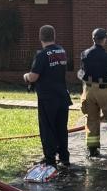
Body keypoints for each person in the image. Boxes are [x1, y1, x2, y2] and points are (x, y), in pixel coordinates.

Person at [23, 24, 71, 169]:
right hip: (62, 95)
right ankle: (64, 157)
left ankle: (50, 159)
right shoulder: (61, 51)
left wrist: (25, 76)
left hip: (48, 98)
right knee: (61, 128)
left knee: (47, 128)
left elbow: (33, 77)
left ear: (40, 37)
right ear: (54, 36)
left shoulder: (42, 55)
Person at [78, 27, 107, 159]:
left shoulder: (84, 54)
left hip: (88, 90)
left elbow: (81, 73)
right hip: (105, 89)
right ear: (103, 40)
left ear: (93, 39)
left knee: (91, 118)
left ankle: (92, 149)